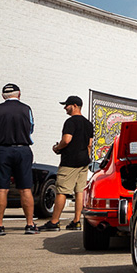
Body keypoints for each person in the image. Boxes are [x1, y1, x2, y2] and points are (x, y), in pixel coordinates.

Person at [42, 95, 96, 231]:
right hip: (84, 162)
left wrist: (57, 148)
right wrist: (86, 157)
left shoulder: (70, 122)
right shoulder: (89, 124)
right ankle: (77, 221)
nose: (65, 108)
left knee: (62, 191)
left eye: (67, 105)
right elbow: (90, 145)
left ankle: (54, 222)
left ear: (75, 106)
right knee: (79, 192)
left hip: (70, 162)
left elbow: (66, 140)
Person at [0, 83, 37, 235]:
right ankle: (29, 224)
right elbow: (31, 128)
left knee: (2, 188)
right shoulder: (26, 109)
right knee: (25, 188)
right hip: (22, 149)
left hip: (2, 149)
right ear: (19, 94)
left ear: (3, 96)